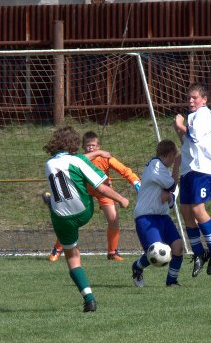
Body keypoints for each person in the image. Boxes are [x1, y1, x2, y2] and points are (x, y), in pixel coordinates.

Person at [43, 126, 129, 312]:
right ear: (75, 144)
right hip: (83, 212)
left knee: (73, 258)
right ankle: (110, 254)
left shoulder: (48, 164)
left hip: (61, 218)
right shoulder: (79, 160)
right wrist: (121, 199)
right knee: (89, 189)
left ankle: (88, 297)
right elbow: (102, 188)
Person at [48, 131, 140, 262]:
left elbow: (125, 171)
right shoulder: (78, 159)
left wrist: (136, 183)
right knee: (73, 221)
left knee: (113, 219)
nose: (90, 148)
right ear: (83, 147)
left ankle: (112, 252)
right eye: (87, 145)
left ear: (98, 146)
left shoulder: (106, 158)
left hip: (104, 191)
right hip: (84, 191)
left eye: (93, 145)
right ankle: (58, 248)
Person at [173, 83, 211, 276]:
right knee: (186, 210)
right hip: (189, 170)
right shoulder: (193, 117)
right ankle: (198, 253)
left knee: (196, 208)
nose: (191, 101)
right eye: (189, 98)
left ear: (204, 100)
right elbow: (187, 144)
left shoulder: (204, 114)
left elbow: (193, 136)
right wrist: (179, 130)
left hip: (203, 170)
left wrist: (180, 125)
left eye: (195, 97)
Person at [130, 139, 185, 287]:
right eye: (175, 156)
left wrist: (169, 196)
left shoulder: (162, 169)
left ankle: (171, 281)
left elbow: (170, 195)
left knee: (178, 246)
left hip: (163, 217)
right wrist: (178, 166)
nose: (175, 160)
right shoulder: (155, 165)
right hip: (146, 217)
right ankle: (137, 267)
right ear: (171, 154)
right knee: (155, 251)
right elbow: (172, 185)